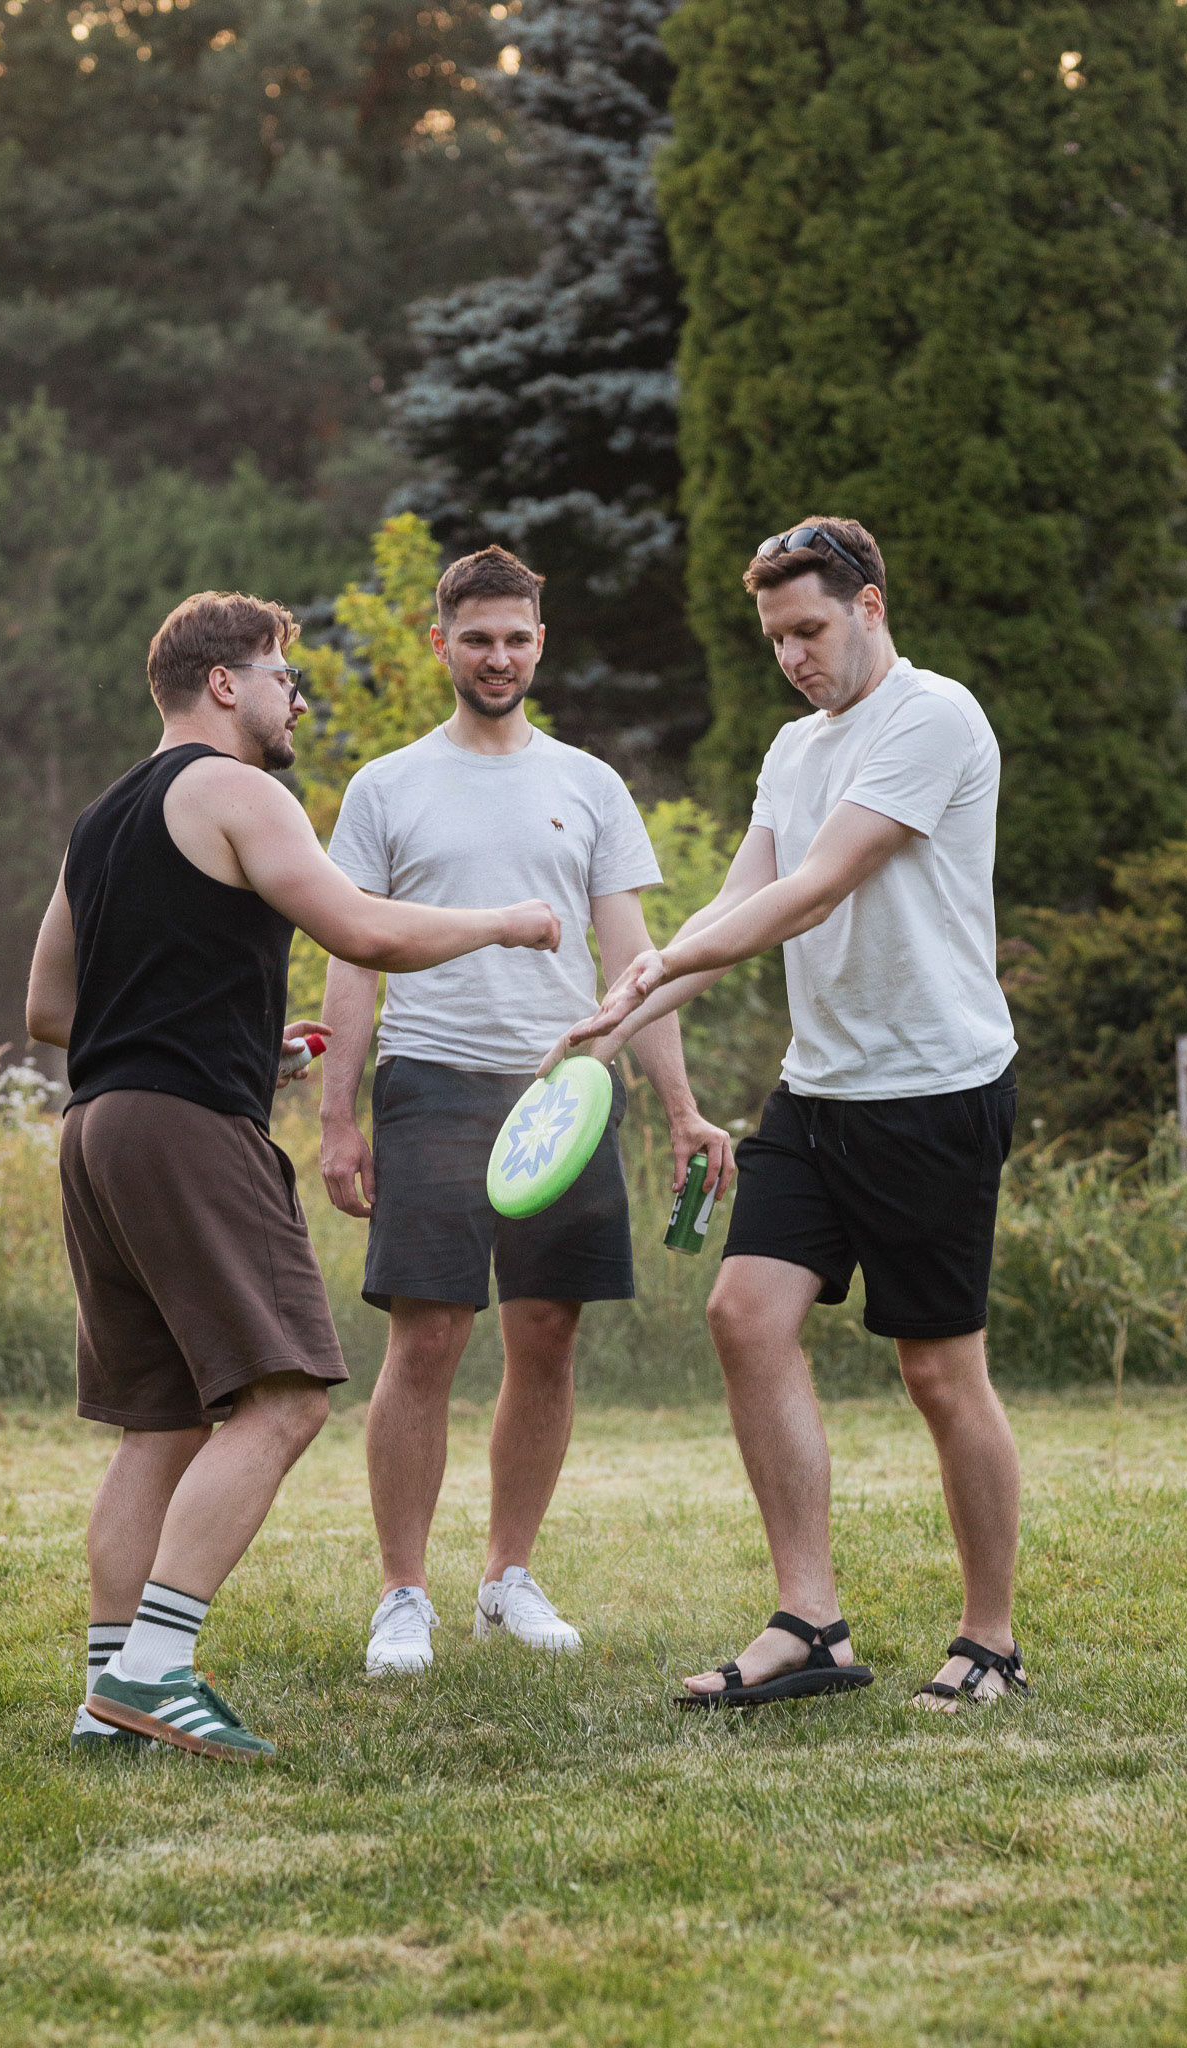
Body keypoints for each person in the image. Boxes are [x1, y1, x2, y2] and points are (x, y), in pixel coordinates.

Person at [26, 589, 559, 1761]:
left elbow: (50, 1006)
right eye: (282, 675)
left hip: (100, 1125)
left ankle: (104, 1692)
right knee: (285, 1399)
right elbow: (361, 930)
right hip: (186, 1130)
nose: (298, 699)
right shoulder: (236, 788)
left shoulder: (100, 818)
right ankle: (157, 1669)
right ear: (225, 683)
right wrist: (505, 921)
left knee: (160, 1422)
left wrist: (223, 1033)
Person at [548, 518, 1026, 1713]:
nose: (793, 656)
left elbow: (814, 892)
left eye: (809, 629)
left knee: (939, 1370)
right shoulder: (791, 745)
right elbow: (740, 895)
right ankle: (809, 1620)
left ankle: (991, 1639)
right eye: (775, 638)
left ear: (870, 605)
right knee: (744, 1312)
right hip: (819, 1089)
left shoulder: (933, 716)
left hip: (934, 1089)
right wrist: (619, 1011)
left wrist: (661, 969)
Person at [319, 546, 733, 1677]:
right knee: (428, 1336)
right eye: (477, 639)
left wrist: (681, 1107)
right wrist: (338, 1117)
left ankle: (507, 1576)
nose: (497, 657)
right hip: (432, 1079)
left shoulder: (589, 784)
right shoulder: (386, 786)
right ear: (441, 643)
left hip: (565, 1092)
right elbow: (353, 953)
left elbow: (635, 959)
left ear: (540, 644)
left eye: (516, 638)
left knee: (546, 1334)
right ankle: (403, 1592)